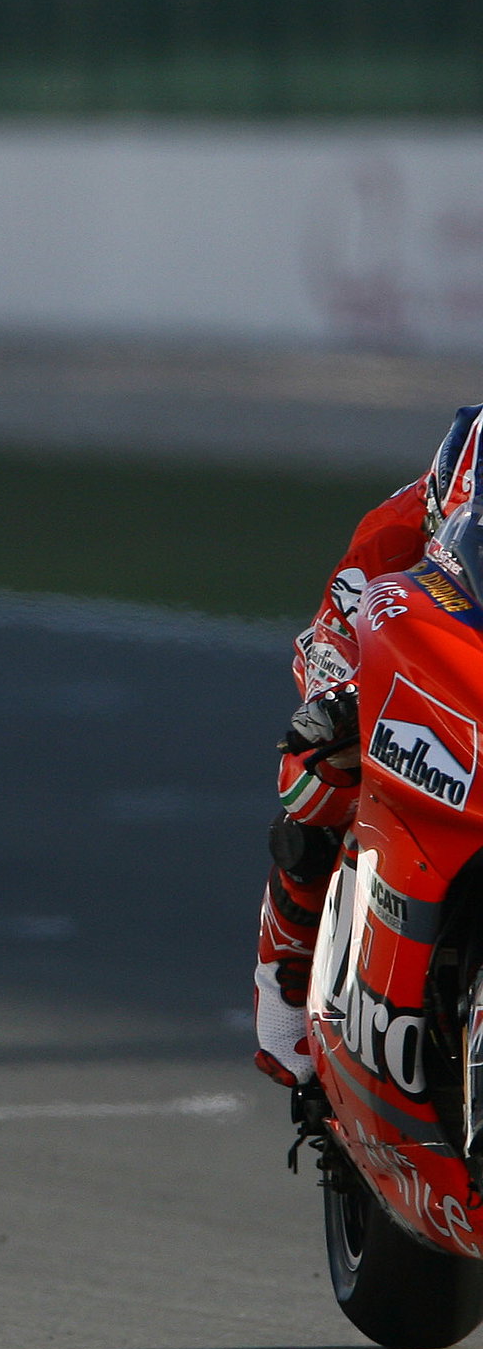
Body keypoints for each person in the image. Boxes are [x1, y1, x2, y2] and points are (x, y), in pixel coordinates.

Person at [254, 404, 483, 1086]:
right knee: (317, 774)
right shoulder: (395, 535)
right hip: (427, 658)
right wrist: (342, 704)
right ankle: (283, 983)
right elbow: (335, 651)